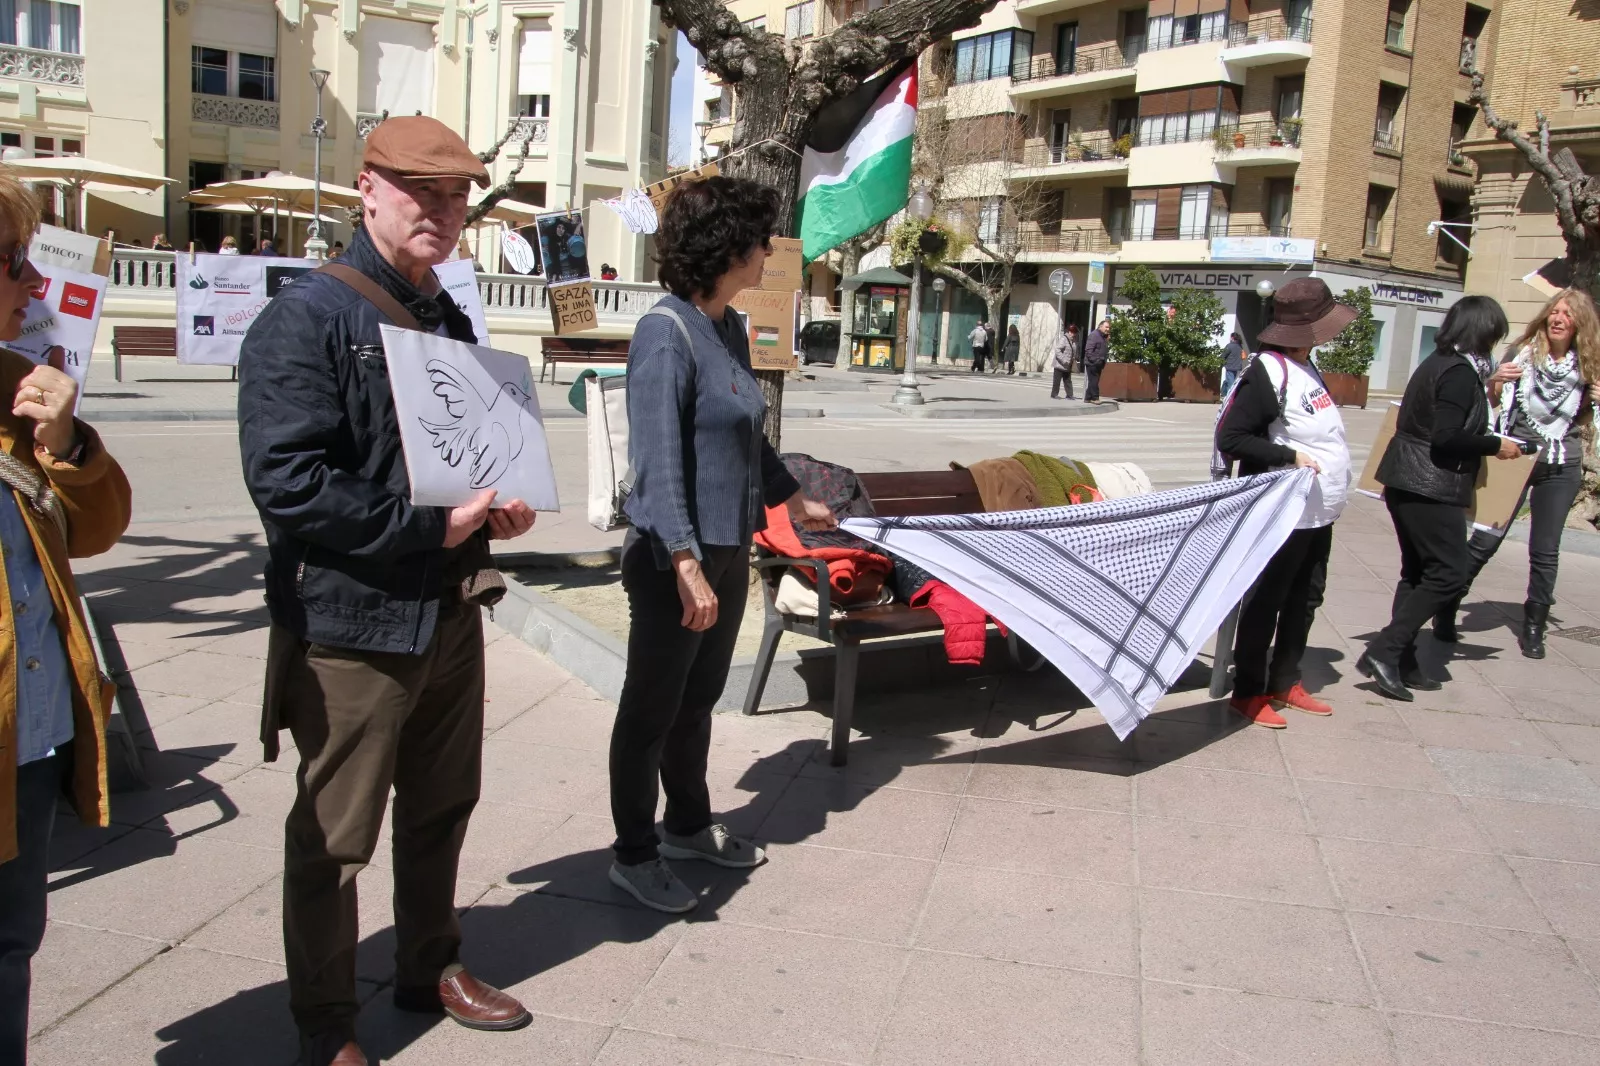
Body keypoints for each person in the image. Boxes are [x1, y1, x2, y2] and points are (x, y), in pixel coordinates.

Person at [238, 116, 536, 1066]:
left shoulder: (446, 313)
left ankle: (429, 964)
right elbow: (287, 482)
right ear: (367, 187)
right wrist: (423, 526)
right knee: (335, 838)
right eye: (421, 190)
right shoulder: (307, 317)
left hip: (450, 605)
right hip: (352, 622)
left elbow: (465, 451)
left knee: (443, 805)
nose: (443, 211)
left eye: (457, 196)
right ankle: (326, 1025)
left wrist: (496, 507)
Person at [611, 175, 835, 914]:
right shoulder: (664, 333)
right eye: (760, 239)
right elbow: (656, 463)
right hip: (676, 559)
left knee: (697, 701)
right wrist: (685, 564)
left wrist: (791, 495)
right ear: (727, 247)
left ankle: (685, 826)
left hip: (729, 546)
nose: (769, 251)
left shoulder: (729, 327)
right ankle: (633, 854)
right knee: (651, 710)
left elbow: (747, 436)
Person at [0, 170, 132, 1065]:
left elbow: (98, 529)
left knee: (11, 948)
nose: (35, 281)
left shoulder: (19, 385)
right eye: (15, 261)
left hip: (32, 736)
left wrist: (70, 445)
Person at [1361, 296, 1523, 701]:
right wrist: (1496, 444)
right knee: (1449, 573)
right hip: (1429, 485)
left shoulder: (1438, 362)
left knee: (1417, 573)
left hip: (1408, 480)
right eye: (1494, 335)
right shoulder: (1459, 373)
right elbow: (1446, 436)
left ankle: (1403, 660)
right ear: (1482, 332)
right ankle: (1386, 649)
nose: (1494, 344)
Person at [1216, 278, 1353, 727]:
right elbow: (1233, 437)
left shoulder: (1306, 365)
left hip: (1319, 513)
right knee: (1266, 600)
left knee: (1305, 598)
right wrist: (1289, 456)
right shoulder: (1267, 371)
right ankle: (1249, 691)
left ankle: (1285, 680)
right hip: (1284, 513)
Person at [1436, 288, 1600, 657]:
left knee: (1546, 550)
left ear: (1579, 324)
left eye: (1567, 314)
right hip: (1513, 457)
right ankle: (1446, 605)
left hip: (1562, 463)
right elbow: (1493, 400)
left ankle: (1534, 626)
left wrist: (1596, 403)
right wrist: (1496, 381)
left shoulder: (1590, 364)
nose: (1558, 319)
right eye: (1554, 312)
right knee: (1485, 540)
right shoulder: (1522, 353)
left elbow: (1582, 419)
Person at [1083, 318, 1110, 404]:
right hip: (1092, 363)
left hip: (1099, 362)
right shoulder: (1094, 335)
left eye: (1108, 327)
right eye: (1106, 327)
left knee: (1094, 381)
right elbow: (1088, 350)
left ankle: (1087, 398)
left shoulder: (1102, 336)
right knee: (1094, 380)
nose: (1108, 329)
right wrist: (1095, 360)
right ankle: (1095, 398)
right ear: (1100, 327)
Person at [1050, 323, 1078, 399]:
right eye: (1072, 332)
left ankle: (1069, 395)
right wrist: (1064, 360)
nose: (1073, 334)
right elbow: (1057, 350)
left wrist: (1073, 359)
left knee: (1068, 381)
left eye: (1074, 332)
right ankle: (1054, 394)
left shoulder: (1073, 341)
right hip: (1059, 364)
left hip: (1068, 365)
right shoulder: (1064, 339)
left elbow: (1073, 352)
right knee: (1057, 381)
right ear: (1069, 332)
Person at [1221, 330, 1245, 396]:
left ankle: (1228, 396)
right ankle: (1223, 394)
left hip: (1230, 366)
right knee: (1229, 380)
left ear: (1232, 338)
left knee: (1230, 383)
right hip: (1236, 367)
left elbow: (1223, 355)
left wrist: (1220, 363)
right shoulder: (1240, 346)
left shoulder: (1229, 346)